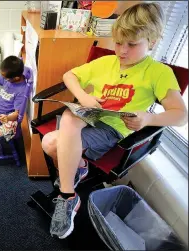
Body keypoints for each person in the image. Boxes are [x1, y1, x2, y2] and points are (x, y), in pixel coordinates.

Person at [41, 2, 188, 239]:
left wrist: (149, 117)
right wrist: (84, 96)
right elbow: (69, 76)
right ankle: (70, 190)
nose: (122, 51)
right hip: (88, 117)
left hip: (113, 128)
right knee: (69, 116)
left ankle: (70, 187)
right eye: (118, 42)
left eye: (132, 44)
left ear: (152, 41)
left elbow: (181, 115)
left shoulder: (158, 72)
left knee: (49, 142)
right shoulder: (106, 62)